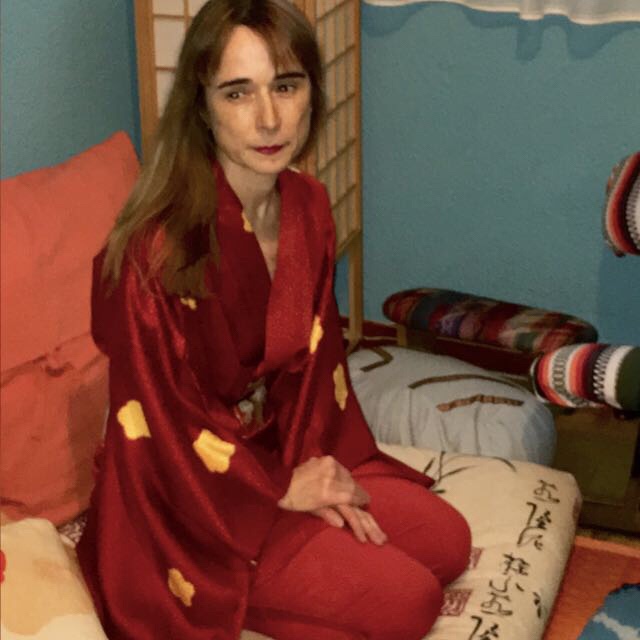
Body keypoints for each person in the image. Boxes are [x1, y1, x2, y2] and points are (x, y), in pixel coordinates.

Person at [77, 1, 471, 638]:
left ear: (313, 92)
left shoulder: (307, 204)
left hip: (279, 452)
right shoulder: (158, 252)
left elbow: (315, 372)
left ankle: (298, 549)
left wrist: (313, 473)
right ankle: (248, 586)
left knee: (447, 540)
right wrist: (280, 491)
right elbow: (162, 426)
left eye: (286, 86)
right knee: (409, 601)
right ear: (202, 106)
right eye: (238, 93)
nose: (268, 118)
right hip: (188, 497)